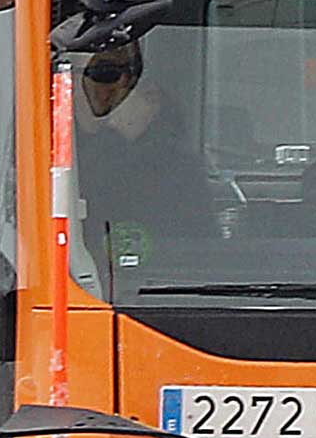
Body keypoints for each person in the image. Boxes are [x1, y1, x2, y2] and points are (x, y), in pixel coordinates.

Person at [68, 46, 222, 271]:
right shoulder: (36, 142)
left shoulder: (175, 163)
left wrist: (125, 137)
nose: (123, 86)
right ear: (70, 79)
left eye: (133, 74)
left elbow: (201, 250)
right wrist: (116, 134)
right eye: (106, 73)